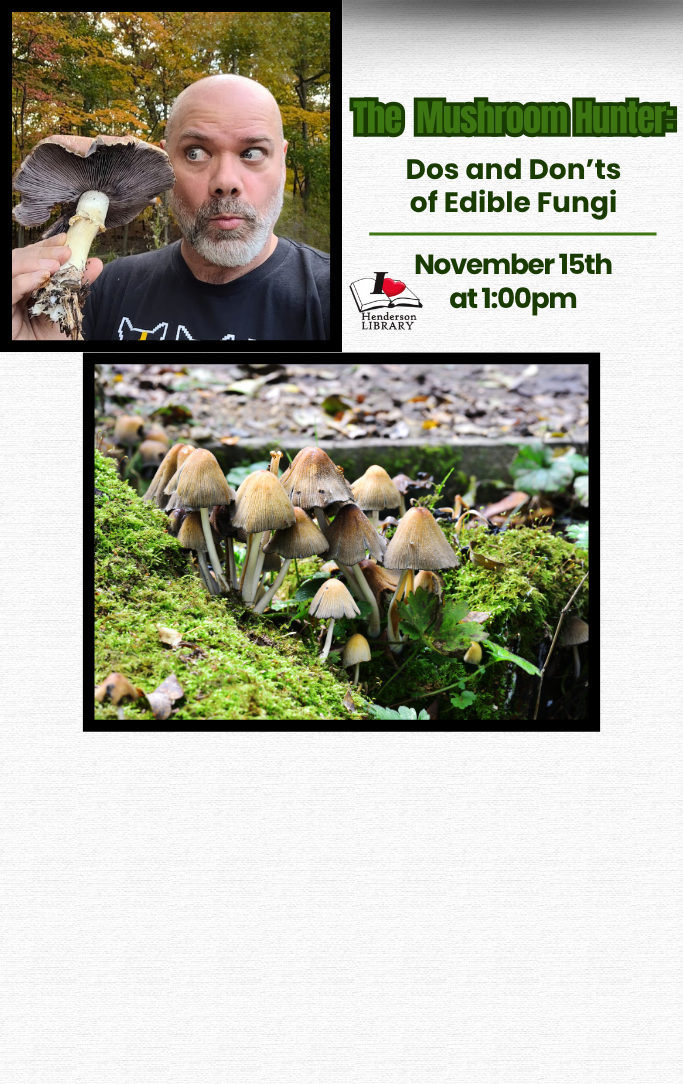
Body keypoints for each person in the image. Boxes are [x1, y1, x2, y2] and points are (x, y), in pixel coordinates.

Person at [12, 74, 329, 341]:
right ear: (166, 162)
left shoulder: (334, 296)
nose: (226, 181)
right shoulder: (106, 287)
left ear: (283, 161)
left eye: (252, 152)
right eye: (195, 153)